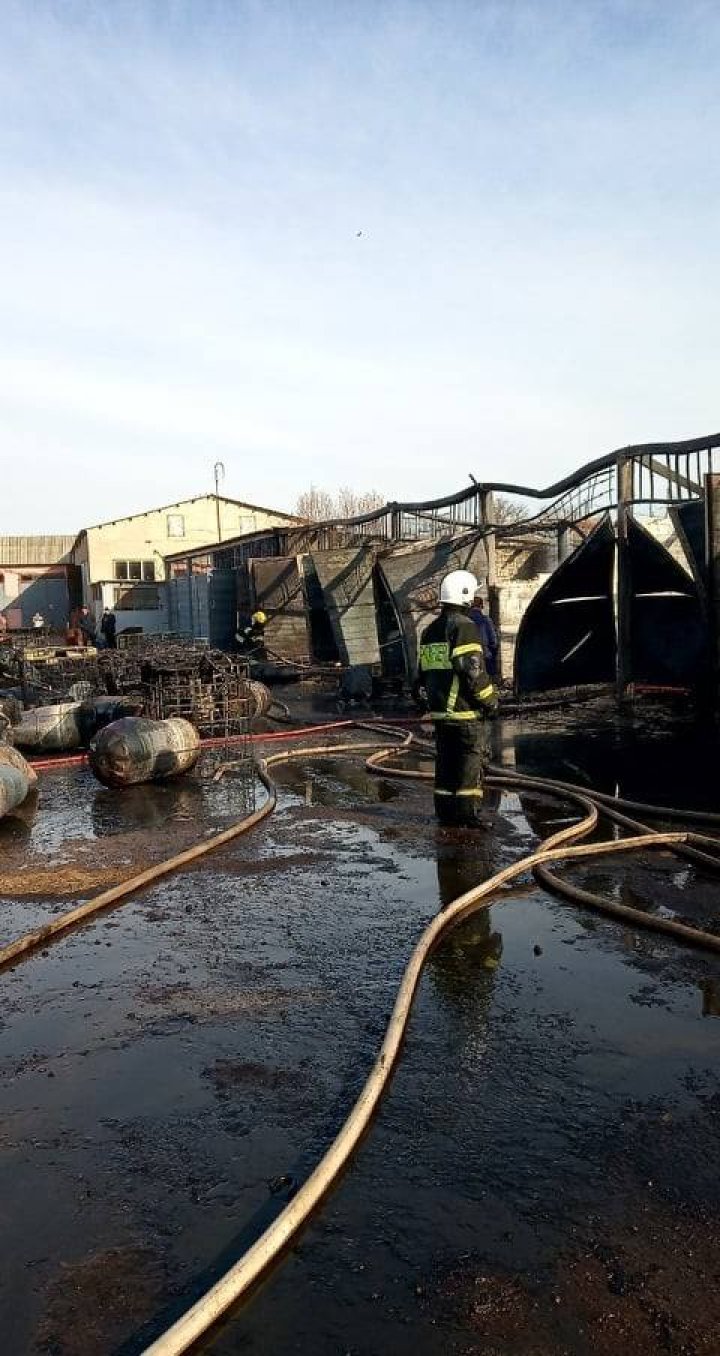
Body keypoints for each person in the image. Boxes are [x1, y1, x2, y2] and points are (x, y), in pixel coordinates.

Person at [418, 569, 498, 827]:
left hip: (441, 712)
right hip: (464, 713)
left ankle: (445, 812)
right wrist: (490, 701)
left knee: (446, 764)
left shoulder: (429, 631)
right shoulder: (465, 627)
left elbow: (419, 675)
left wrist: (426, 704)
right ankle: (466, 815)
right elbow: (472, 671)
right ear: (464, 596)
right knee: (469, 764)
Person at [468, 593, 499, 677]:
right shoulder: (486, 620)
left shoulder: (465, 621)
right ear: (481, 606)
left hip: (469, 657)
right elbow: (494, 641)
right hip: (485, 655)